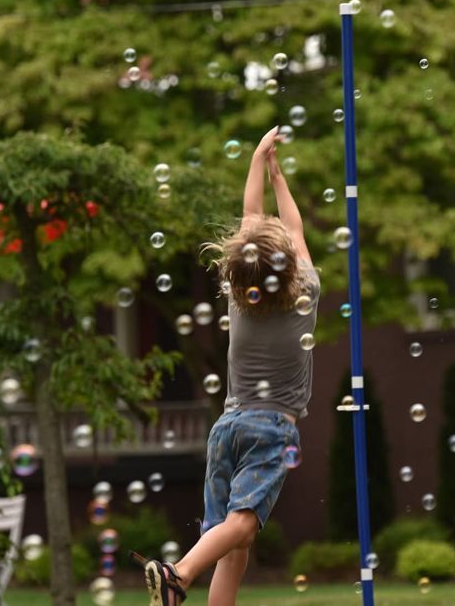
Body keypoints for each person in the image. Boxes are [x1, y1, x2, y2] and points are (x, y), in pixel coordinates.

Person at [135, 126, 319, 606]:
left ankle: (192, 579)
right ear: (290, 270)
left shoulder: (239, 299)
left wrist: (258, 160)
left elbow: (250, 220)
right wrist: (282, 179)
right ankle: (178, 573)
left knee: (232, 545)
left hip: (228, 427)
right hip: (271, 429)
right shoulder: (305, 296)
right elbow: (292, 230)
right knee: (242, 524)